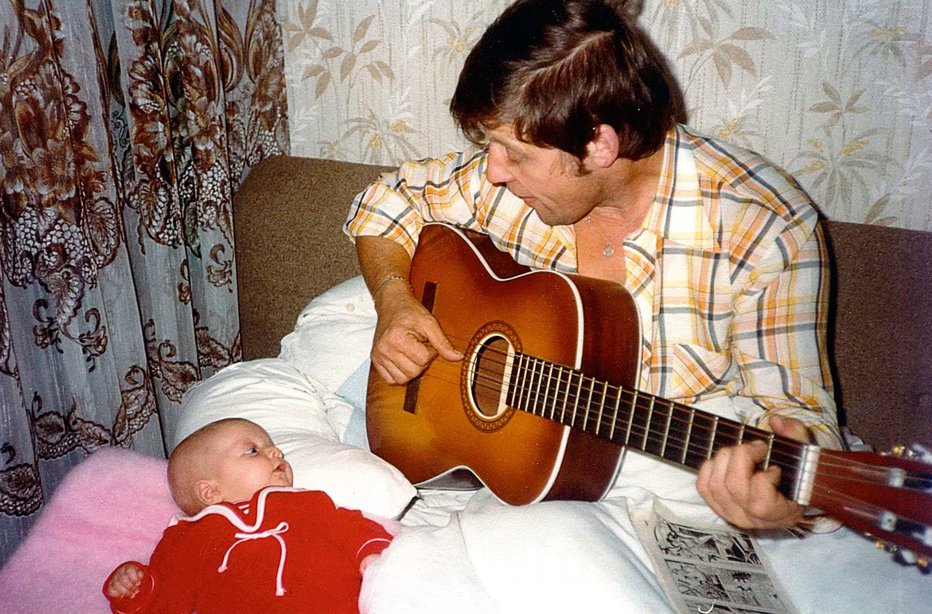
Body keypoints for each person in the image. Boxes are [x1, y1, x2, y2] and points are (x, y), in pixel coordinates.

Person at [343, 0, 843, 531]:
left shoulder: (766, 228)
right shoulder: (508, 184)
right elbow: (388, 200)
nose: (491, 172)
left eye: (513, 153)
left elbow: (802, 417)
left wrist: (785, 495)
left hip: (660, 479)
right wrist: (395, 299)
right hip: (524, 476)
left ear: (600, 145)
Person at [102, 418, 393, 613]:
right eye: (253, 450)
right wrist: (137, 589)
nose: (276, 452)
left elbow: (352, 527)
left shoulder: (307, 502)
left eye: (272, 446)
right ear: (209, 492)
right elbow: (167, 599)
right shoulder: (189, 535)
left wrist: (370, 556)